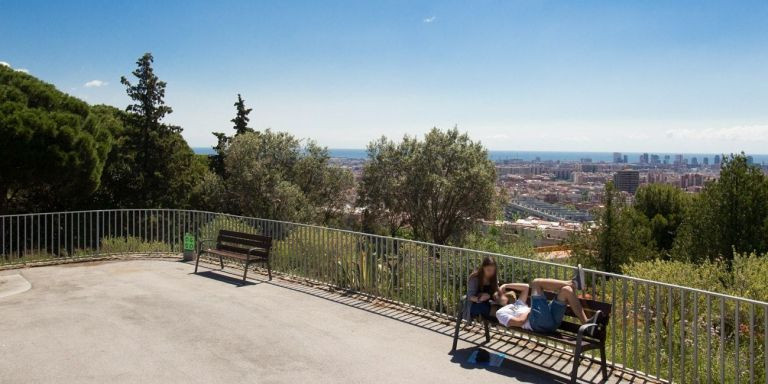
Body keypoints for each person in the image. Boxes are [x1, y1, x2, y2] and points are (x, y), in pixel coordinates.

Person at [495, 264, 602, 336]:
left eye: (502, 292)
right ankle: (573, 283)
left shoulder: (518, 303)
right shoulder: (500, 312)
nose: (503, 293)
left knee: (566, 290)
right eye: (499, 295)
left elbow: (526, 287)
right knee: (536, 282)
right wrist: (530, 311)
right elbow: (519, 322)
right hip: (536, 324)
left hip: (548, 321)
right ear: (497, 301)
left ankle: (586, 324)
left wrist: (506, 285)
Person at [463, 256, 503, 322]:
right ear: (483, 268)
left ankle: (500, 316)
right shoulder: (475, 278)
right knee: (482, 307)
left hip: (490, 304)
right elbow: (470, 296)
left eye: (493, 270)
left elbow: (495, 290)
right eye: (488, 270)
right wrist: (479, 298)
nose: (491, 272)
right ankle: (499, 316)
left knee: (497, 307)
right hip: (475, 304)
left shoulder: (494, 277)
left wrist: (495, 295)